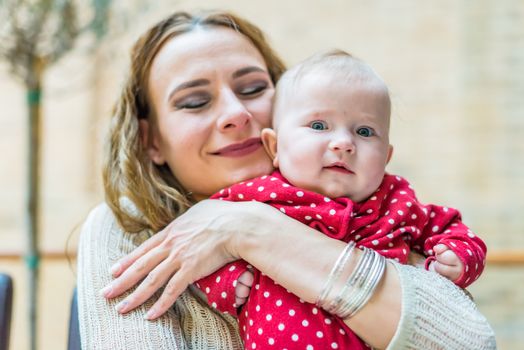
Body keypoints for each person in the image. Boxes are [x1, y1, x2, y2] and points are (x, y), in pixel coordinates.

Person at [78, 9, 496, 350]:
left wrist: (246, 228)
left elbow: (471, 341)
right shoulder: (125, 228)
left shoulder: (375, 200)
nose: (236, 114)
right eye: (194, 101)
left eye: (254, 87)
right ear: (151, 141)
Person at [194, 50, 487, 349]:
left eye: (364, 131)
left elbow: (453, 229)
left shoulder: (396, 201)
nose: (344, 143)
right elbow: (208, 251)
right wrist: (227, 282)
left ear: (386, 157)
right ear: (275, 146)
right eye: (319, 126)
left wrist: (460, 257)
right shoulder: (254, 198)